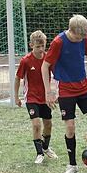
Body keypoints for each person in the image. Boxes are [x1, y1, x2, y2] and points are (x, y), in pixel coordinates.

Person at [41, 14, 87, 173]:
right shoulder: (58, 42)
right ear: (71, 31)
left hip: (84, 86)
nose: (82, 39)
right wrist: (48, 91)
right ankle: (72, 165)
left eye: (84, 36)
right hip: (66, 89)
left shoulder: (85, 38)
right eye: (79, 36)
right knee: (70, 127)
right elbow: (45, 67)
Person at [14, 30, 58, 164]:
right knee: (36, 124)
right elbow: (17, 78)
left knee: (48, 124)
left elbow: (56, 75)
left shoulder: (48, 59)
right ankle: (39, 154)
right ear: (31, 45)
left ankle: (45, 147)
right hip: (31, 97)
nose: (40, 49)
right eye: (37, 46)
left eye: (42, 46)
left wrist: (56, 93)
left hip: (45, 98)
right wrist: (16, 97)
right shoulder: (26, 61)